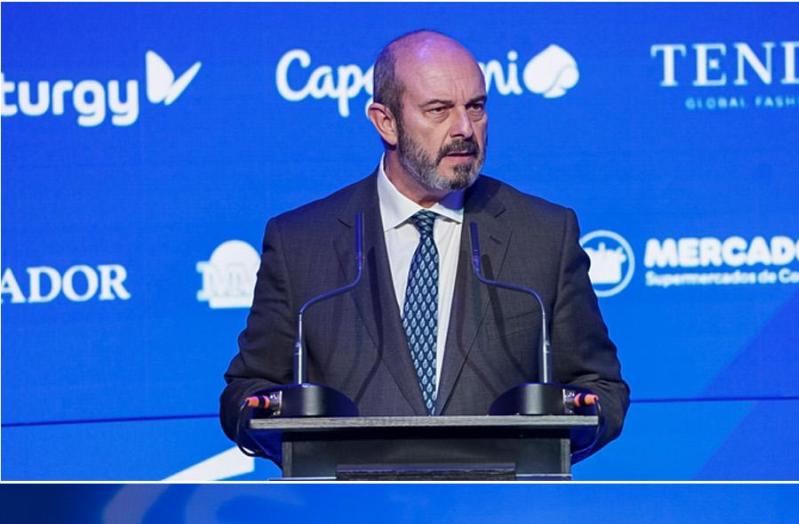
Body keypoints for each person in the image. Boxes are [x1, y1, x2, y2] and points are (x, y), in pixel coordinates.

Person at [220, 30, 626, 460]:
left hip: (498, 497)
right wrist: (266, 412)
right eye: (439, 110)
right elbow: (248, 390)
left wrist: (576, 416)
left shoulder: (543, 234)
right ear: (385, 122)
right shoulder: (301, 243)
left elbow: (600, 388)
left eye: (476, 107)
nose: (465, 129)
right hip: (350, 497)